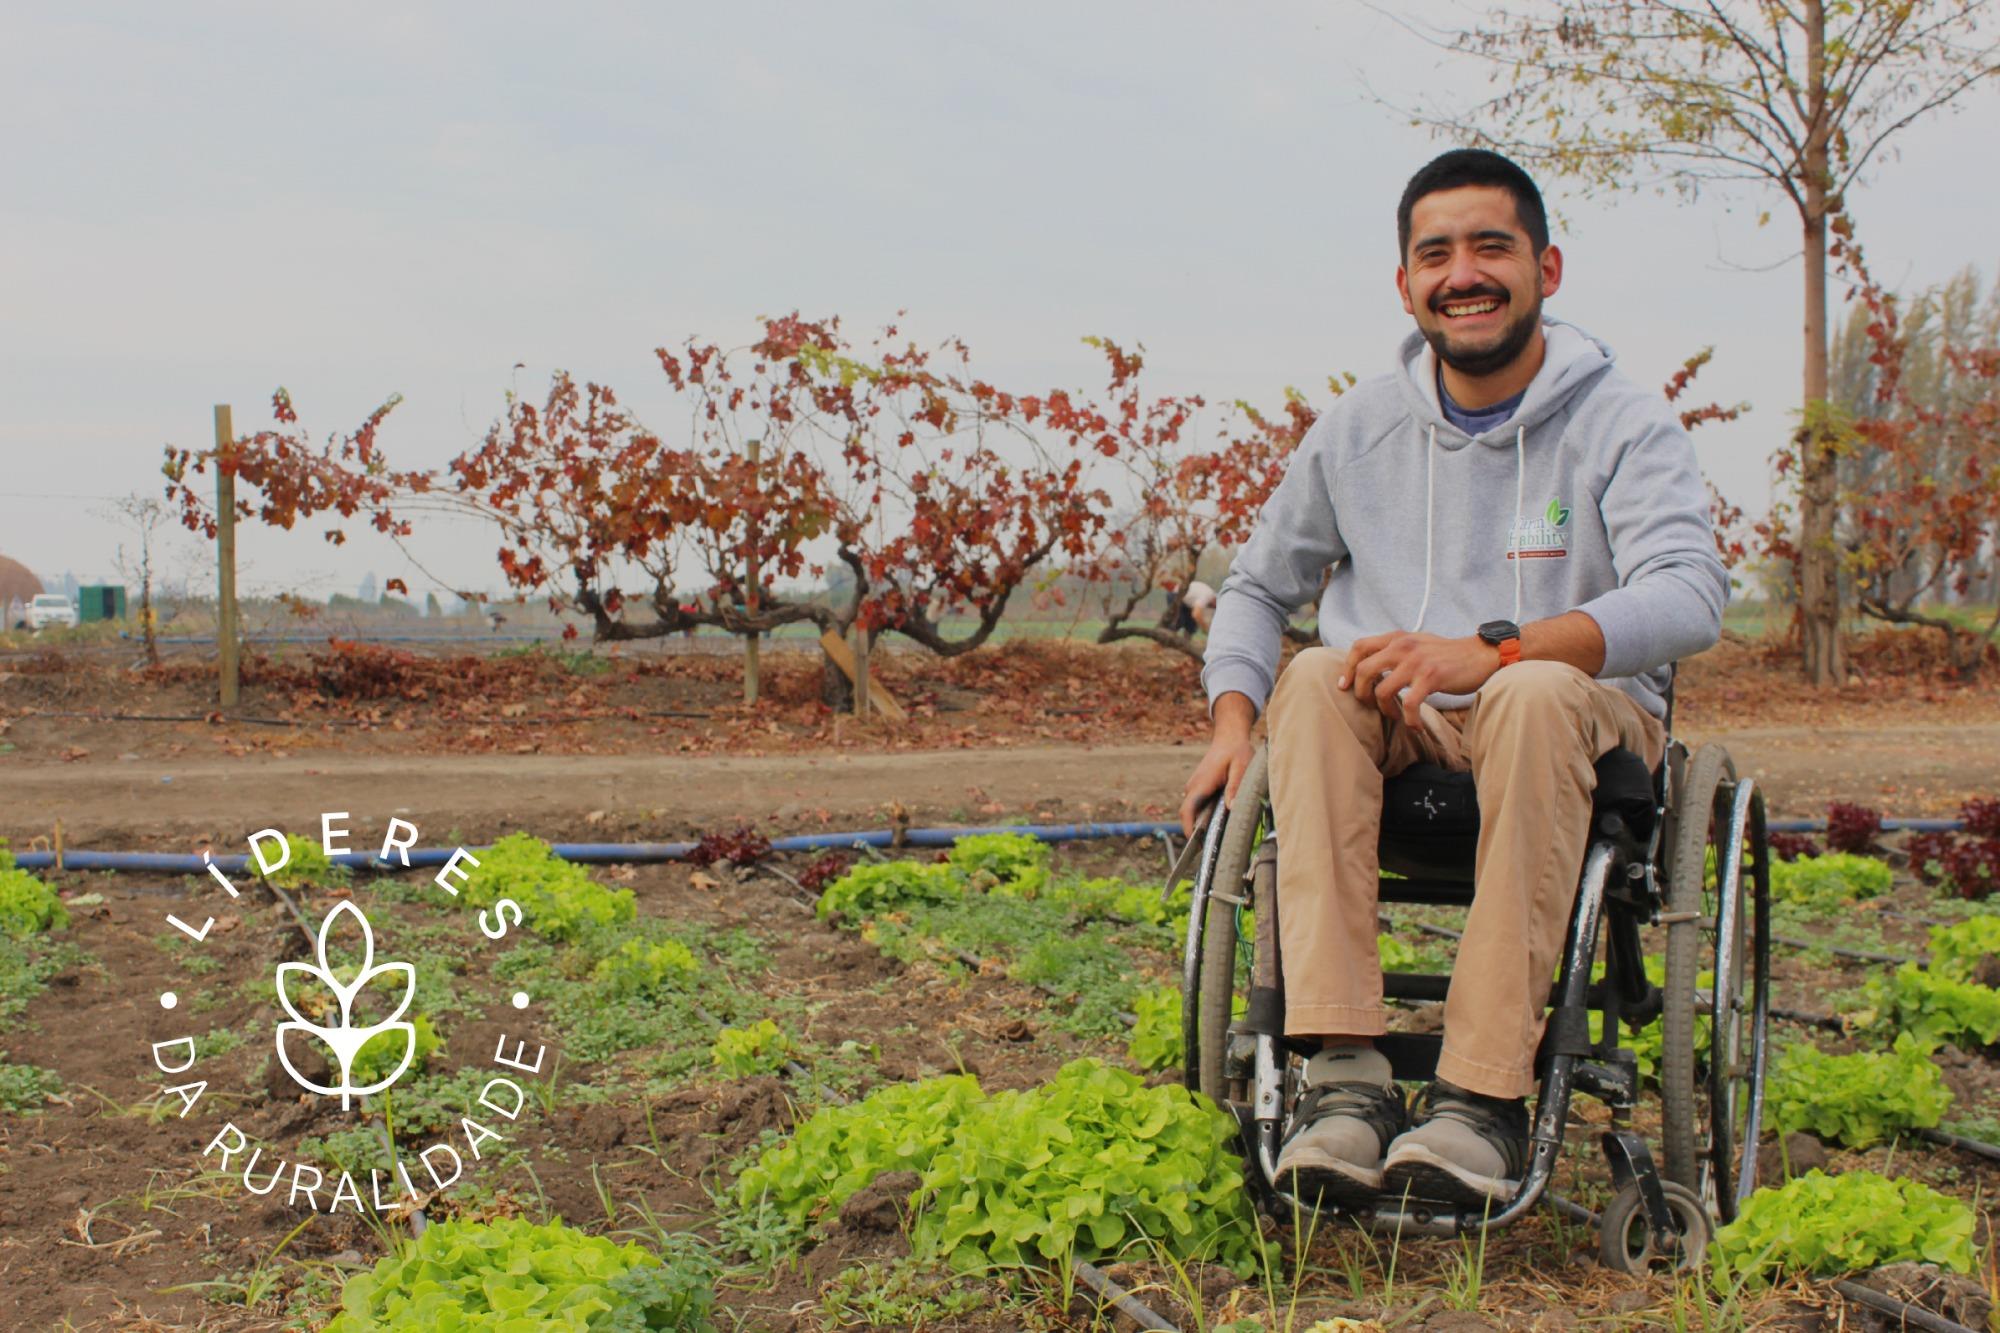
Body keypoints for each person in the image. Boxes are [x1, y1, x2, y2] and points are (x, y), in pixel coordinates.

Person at [1177, 149, 1726, 1211]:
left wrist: (1501, 649)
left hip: (1575, 717)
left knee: (1525, 692)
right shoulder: (1356, 428)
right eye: (1435, 253)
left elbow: (1689, 595)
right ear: (1404, 283)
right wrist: (1230, 721)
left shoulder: (1620, 419)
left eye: (1489, 247)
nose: (1460, 273)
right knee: (1319, 678)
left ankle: (1481, 1099)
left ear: (1545, 268)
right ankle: (1342, 1077)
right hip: (1407, 724)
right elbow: (1253, 589)